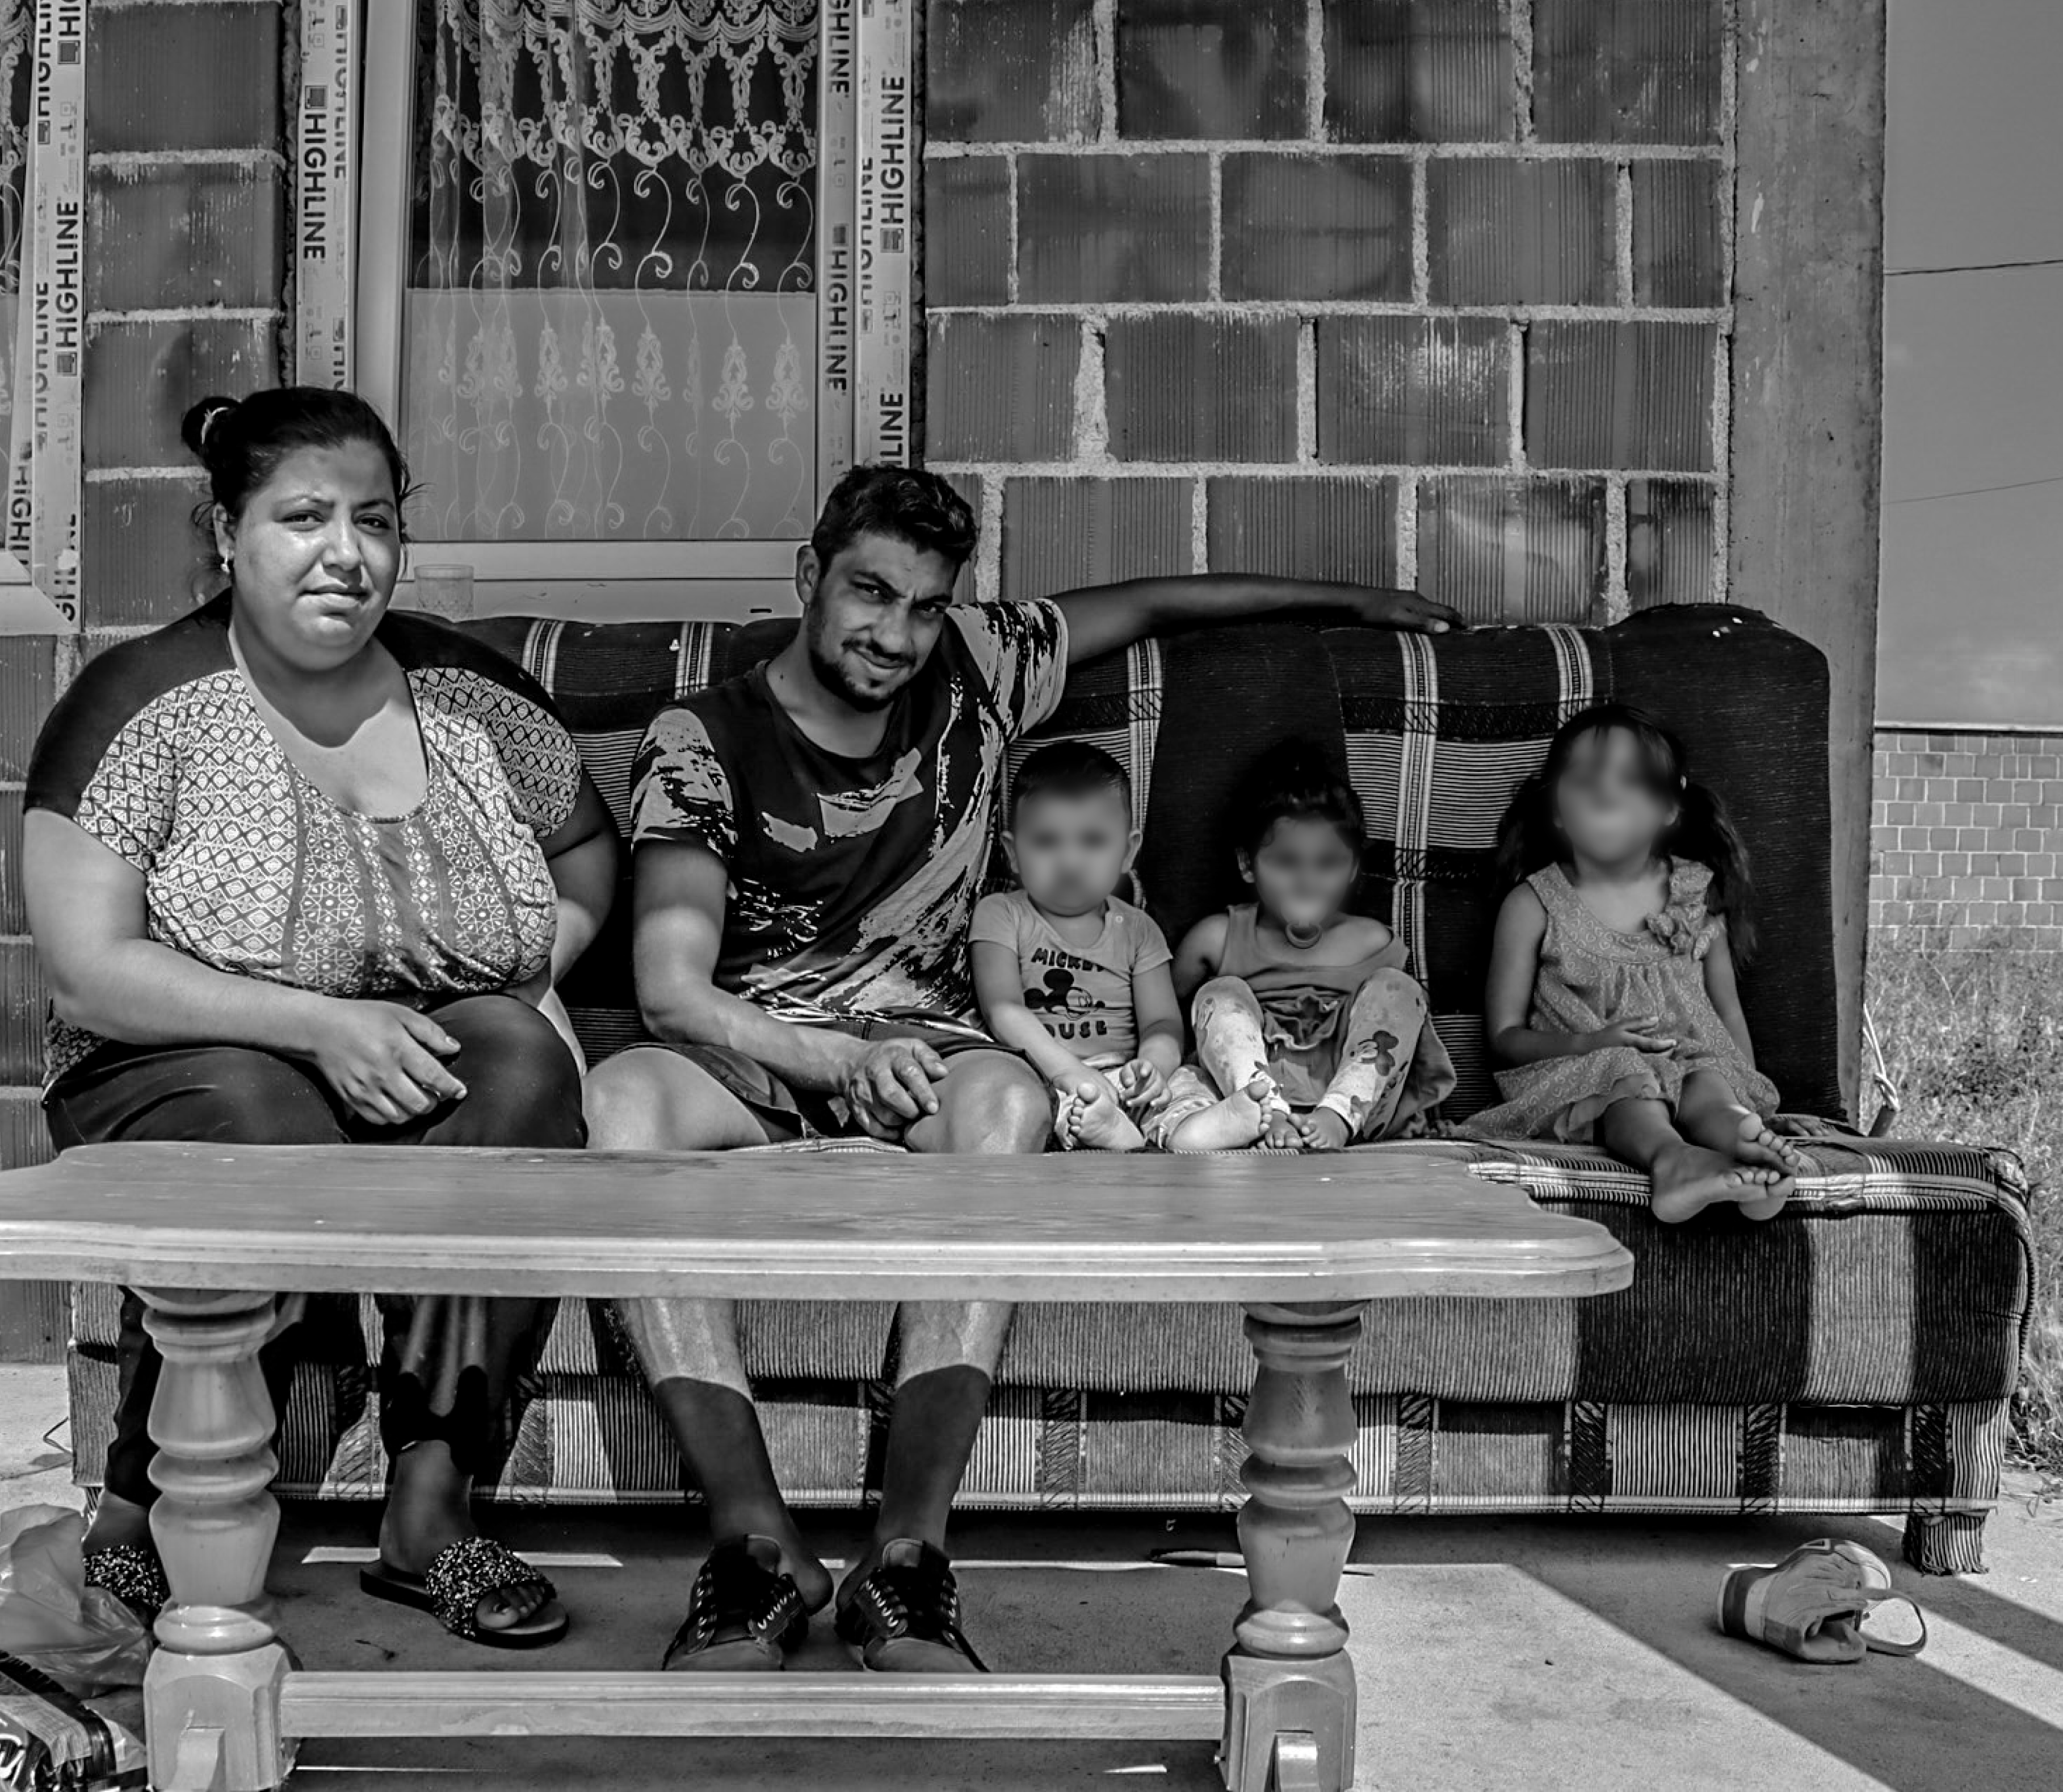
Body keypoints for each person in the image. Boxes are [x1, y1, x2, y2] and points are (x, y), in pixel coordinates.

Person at [583, 464, 1460, 1673]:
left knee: (1006, 1094)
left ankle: (907, 1557)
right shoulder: (704, 738)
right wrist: (838, 1056)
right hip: (756, 1049)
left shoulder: (976, 668)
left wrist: (1351, 601)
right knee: (621, 1097)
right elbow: (673, 990)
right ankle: (755, 1545)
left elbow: (1152, 601)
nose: (896, 634)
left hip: (936, 1052)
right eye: (869, 593)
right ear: (808, 576)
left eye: (925, 605)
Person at [21, 387, 616, 1648]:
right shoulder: (139, 701)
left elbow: (584, 853)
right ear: (225, 532)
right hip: (176, 1065)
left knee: (517, 1066)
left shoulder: (467, 691)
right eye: (303, 517)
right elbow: (86, 971)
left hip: (409, 1057)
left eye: (375, 519)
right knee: (265, 1111)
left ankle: (431, 1508)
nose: (346, 552)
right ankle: (141, 1503)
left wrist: (519, 977)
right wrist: (317, 1025)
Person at [1459, 702, 1808, 1222]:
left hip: (1689, 1064)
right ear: (1556, 811)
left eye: (1631, 778)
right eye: (1584, 778)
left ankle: (1741, 1141)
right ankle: (1672, 1160)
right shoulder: (1533, 904)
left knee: (1706, 1076)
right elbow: (1504, 1038)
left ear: (1668, 808)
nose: (1606, 791)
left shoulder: (1696, 893)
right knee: (1625, 1073)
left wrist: (1753, 1099)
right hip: (1581, 1074)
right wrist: (1592, 1043)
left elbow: (1726, 1012)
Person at [1156, 746, 1455, 1151]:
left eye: (1327, 863)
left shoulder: (1373, 942)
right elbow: (1165, 1015)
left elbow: (1399, 1036)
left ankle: (1336, 1116)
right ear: (1247, 865)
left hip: (1354, 1105)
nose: (1307, 882)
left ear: (1352, 868)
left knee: (1399, 989)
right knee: (1219, 993)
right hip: (1242, 1094)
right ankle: (1265, 1112)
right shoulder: (1217, 937)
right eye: (1285, 862)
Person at [970, 742, 1182, 1151]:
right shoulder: (1002, 914)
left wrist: (1152, 1069)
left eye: (1092, 841)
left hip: (1123, 1073)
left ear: (1127, 852)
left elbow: (1162, 1022)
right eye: (1047, 842)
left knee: (1182, 1088)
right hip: (1042, 1071)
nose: (1070, 862)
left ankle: (1193, 1125)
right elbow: (1003, 1010)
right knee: (1024, 1104)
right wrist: (1070, 1073)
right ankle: (1108, 1129)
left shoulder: (1139, 929)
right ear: (1013, 853)